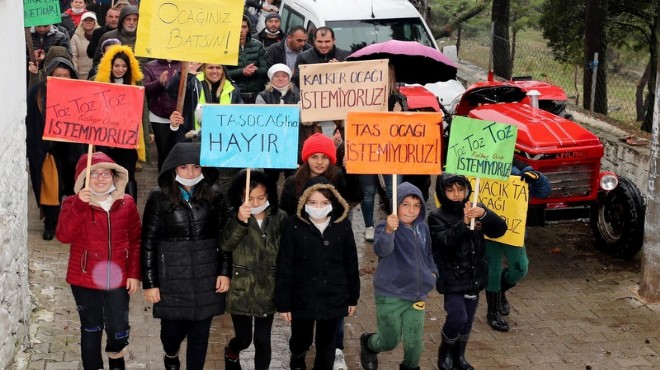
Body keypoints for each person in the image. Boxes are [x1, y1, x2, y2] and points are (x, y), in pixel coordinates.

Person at [141, 142, 231, 370]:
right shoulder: (158, 198)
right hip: (173, 280)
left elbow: (225, 238)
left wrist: (224, 271)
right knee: (171, 335)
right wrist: (150, 283)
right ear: (173, 169)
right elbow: (148, 242)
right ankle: (171, 354)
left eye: (196, 167)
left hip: (206, 278)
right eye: (183, 167)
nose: (190, 173)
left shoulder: (215, 195)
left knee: (200, 338)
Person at [55, 152, 141, 370]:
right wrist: (79, 207)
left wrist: (133, 273)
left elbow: (136, 240)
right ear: (83, 178)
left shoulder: (127, 203)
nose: (100, 179)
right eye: (93, 174)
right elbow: (64, 236)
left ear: (114, 176)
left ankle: (116, 360)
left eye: (105, 173)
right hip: (84, 277)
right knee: (91, 329)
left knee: (119, 330)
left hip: (117, 276)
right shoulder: (73, 204)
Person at [276, 176, 360, 370]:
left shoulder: (343, 226)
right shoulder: (293, 225)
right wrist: (284, 303)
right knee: (300, 338)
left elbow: (350, 263)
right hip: (302, 296)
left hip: (334, 296)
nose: (318, 207)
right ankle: (297, 356)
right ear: (304, 202)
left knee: (327, 346)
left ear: (333, 202)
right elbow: (285, 265)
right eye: (312, 202)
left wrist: (352, 297)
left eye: (324, 202)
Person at [428, 173, 507, 370]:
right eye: (450, 190)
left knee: (467, 320)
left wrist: (484, 215)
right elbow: (445, 242)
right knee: (457, 316)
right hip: (452, 278)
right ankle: (445, 349)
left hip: (474, 275)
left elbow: (499, 230)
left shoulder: (475, 206)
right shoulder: (436, 216)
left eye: (460, 189)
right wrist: (464, 224)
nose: (456, 194)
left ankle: (459, 354)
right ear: (442, 192)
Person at [359, 182, 438, 370]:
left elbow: (428, 254)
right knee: (389, 340)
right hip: (390, 294)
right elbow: (382, 250)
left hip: (417, 295)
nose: (411, 210)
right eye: (405, 204)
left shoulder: (423, 229)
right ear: (396, 205)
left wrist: (433, 272)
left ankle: (410, 367)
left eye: (416, 205)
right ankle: (369, 343)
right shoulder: (383, 227)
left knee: (415, 342)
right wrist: (388, 230)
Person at [220, 170, 289, 370]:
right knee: (244, 339)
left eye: (261, 197)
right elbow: (225, 244)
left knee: (262, 340)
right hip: (241, 288)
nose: (256, 202)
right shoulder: (234, 215)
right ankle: (231, 351)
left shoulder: (279, 217)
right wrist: (240, 221)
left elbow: (286, 250)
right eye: (250, 198)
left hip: (267, 288)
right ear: (240, 197)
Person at [484, 164, 551, 332]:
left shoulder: (517, 171)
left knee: (520, 267)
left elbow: (544, 192)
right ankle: (492, 311)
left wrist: (537, 177)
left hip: (512, 229)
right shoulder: (475, 168)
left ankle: (500, 289)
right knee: (492, 270)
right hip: (486, 229)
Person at [26, 56, 86, 240]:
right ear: (50, 75)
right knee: (52, 189)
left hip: (72, 150)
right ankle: (51, 223)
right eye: (57, 74)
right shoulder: (38, 92)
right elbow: (33, 122)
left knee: (75, 188)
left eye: (65, 75)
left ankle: (73, 224)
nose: (61, 78)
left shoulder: (80, 93)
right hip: (49, 151)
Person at [166, 62, 243, 195]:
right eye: (210, 67)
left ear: (223, 71)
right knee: (199, 183)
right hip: (196, 142)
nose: (214, 71)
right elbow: (172, 90)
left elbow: (240, 115)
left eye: (218, 67)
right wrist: (186, 73)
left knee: (221, 185)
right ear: (204, 69)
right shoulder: (193, 83)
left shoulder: (233, 89)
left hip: (222, 145)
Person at [94, 44, 151, 201]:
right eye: (117, 65)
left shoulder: (135, 85)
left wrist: (148, 131)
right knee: (105, 174)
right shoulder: (98, 81)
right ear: (109, 65)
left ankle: (129, 206)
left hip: (127, 139)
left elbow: (143, 109)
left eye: (124, 66)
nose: (120, 69)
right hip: (104, 138)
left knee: (127, 173)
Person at [359, 64, 407, 242]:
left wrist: (400, 116)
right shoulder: (363, 98)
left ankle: (396, 223)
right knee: (369, 191)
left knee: (394, 191)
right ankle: (369, 226)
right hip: (367, 151)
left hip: (391, 152)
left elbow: (408, 130)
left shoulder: (398, 99)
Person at [280, 133, 358, 217]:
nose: (319, 162)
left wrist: (350, 173)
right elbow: (286, 213)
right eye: (314, 157)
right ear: (307, 159)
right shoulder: (293, 182)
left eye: (324, 157)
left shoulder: (338, 177)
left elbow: (355, 197)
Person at [255, 63, 300, 192]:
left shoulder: (297, 95)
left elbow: (302, 118)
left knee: (293, 177)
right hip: (271, 143)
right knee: (270, 178)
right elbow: (261, 119)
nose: (281, 79)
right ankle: (272, 204)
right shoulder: (262, 96)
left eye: (284, 76)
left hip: (292, 142)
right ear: (271, 78)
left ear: (289, 78)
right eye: (277, 76)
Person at [142, 59, 181, 171]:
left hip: (180, 117)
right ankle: (164, 184)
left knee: (180, 154)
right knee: (164, 153)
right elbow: (145, 89)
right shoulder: (150, 65)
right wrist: (159, 83)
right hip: (159, 117)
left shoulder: (184, 63)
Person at [225, 15, 268, 104]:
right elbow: (223, 73)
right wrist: (242, 71)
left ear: (248, 29)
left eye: (244, 27)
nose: (241, 30)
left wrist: (255, 70)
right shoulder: (226, 47)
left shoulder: (257, 45)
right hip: (234, 94)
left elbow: (265, 70)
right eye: (237, 27)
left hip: (256, 94)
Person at [70, 12, 100, 79]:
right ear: (82, 22)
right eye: (86, 20)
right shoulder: (75, 37)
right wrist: (75, 74)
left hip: (97, 74)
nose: (88, 22)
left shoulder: (101, 36)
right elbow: (73, 57)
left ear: (95, 22)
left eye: (91, 20)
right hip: (81, 75)